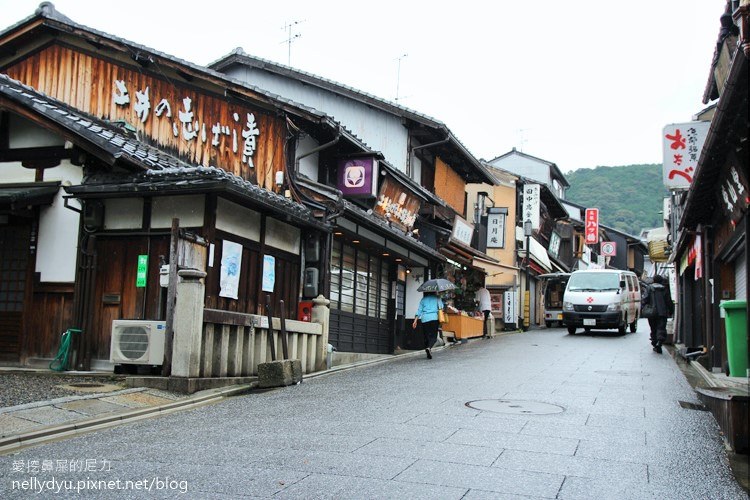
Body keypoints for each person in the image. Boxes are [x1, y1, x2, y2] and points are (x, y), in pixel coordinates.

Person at [644, 274, 674, 354]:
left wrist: (644, 307)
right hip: (662, 312)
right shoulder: (664, 289)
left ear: (653, 280)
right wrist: (671, 310)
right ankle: (659, 342)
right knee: (661, 328)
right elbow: (668, 301)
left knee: (653, 328)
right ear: (661, 281)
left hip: (652, 312)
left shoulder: (649, 288)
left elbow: (645, 299)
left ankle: (654, 342)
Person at [412, 291, 444, 359]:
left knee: (426, 336)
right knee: (433, 337)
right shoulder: (437, 298)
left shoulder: (423, 299)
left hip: (425, 319)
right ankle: (429, 348)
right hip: (434, 318)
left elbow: (419, 311)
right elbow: (441, 307)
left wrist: (415, 321)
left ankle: (427, 349)